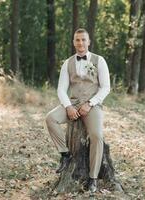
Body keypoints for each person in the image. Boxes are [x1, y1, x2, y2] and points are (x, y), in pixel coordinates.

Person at [45, 28, 110, 192]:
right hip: (72, 103)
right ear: (73, 42)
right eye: (77, 40)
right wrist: (68, 107)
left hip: (92, 104)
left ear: (88, 42)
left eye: (83, 40)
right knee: (50, 118)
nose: (80, 43)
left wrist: (91, 103)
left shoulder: (99, 60)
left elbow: (106, 87)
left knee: (97, 136)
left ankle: (93, 178)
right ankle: (65, 155)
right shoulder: (68, 63)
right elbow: (61, 89)